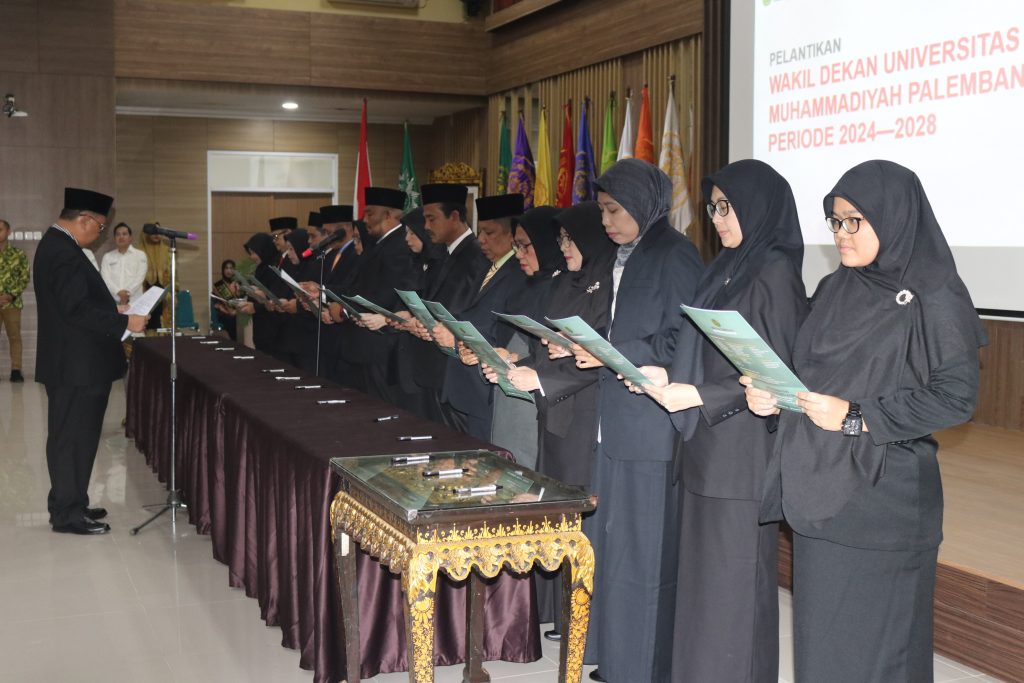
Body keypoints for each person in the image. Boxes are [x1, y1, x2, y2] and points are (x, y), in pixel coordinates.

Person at [742, 160, 987, 682]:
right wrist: (775, 397)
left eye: (855, 220)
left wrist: (857, 418)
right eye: (835, 221)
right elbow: (810, 376)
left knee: (876, 660)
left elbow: (956, 397)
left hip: (883, 506)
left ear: (894, 217)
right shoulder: (836, 287)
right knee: (826, 656)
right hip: (821, 492)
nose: (841, 233)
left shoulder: (935, 292)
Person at [619, 160, 807, 682]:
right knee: (705, 595)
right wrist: (661, 371)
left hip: (741, 454)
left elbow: (776, 372)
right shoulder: (725, 267)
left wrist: (696, 392)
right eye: (713, 207)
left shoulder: (774, 273)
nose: (717, 218)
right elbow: (697, 344)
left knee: (734, 596)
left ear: (758, 207)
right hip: (705, 446)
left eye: (727, 207)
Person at [571, 159, 704, 682]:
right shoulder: (621, 255)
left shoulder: (676, 255)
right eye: (602, 209)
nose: (605, 220)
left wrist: (612, 351)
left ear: (646, 206)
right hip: (614, 417)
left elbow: (685, 340)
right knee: (611, 545)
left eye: (614, 209)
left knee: (645, 553)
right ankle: (614, 654)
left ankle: (643, 667)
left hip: (651, 422)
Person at [34, 188, 148, 535]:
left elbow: (75, 303)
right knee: (71, 438)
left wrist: (113, 310)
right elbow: (75, 309)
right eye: (99, 227)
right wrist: (123, 323)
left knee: (78, 437)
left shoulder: (60, 246)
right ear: (83, 219)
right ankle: (67, 513)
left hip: (77, 363)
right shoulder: (64, 252)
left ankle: (72, 501)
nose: (99, 234)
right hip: (75, 366)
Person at [391, 183, 489, 423]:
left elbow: (460, 310)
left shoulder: (475, 255)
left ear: (454, 216)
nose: (426, 227)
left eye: (432, 219)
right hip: (430, 366)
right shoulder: (442, 254)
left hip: (451, 369)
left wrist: (423, 323)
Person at [438, 193, 528, 440]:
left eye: (490, 233)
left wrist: (456, 339)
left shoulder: (519, 274)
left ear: (513, 235)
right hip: (464, 385)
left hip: (485, 387)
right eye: (480, 232)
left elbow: (501, 330)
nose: (481, 240)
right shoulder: (487, 266)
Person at [487, 204, 564, 469]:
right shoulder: (526, 285)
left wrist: (516, 358)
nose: (518, 254)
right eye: (515, 246)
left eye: (524, 246)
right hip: (507, 400)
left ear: (546, 244)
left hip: (533, 407)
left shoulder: (563, 289)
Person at [337, 187, 417, 399]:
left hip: (382, 342)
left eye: (370, 213)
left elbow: (392, 292)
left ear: (389, 214)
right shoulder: (380, 245)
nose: (364, 220)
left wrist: (349, 309)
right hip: (366, 340)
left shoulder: (399, 244)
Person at [0, 218, 30, 382]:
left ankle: (16, 370)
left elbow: (24, 277)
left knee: (15, 337)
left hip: (13, 303)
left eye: (0, 230)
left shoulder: (18, 254)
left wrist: (10, 295)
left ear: (8, 232)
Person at [100, 222, 148, 307]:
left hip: (135, 301)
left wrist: (127, 292)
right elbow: (105, 279)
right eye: (118, 234)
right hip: (113, 302)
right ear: (114, 238)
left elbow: (140, 277)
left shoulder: (140, 255)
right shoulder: (107, 257)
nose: (121, 237)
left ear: (130, 238)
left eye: (124, 234)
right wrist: (118, 292)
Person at [139, 225, 171, 329]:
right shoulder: (139, 252)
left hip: (164, 294)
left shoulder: (167, 251)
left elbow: (173, 274)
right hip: (145, 292)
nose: (157, 234)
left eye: (159, 231)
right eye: (154, 231)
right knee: (148, 324)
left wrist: (172, 292)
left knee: (163, 324)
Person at [212, 259, 241, 341]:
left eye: (231, 268)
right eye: (226, 268)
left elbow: (241, 299)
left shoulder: (238, 283)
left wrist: (238, 290)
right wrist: (233, 312)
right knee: (231, 319)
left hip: (237, 311)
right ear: (223, 270)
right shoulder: (219, 285)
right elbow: (227, 302)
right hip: (224, 313)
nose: (229, 271)